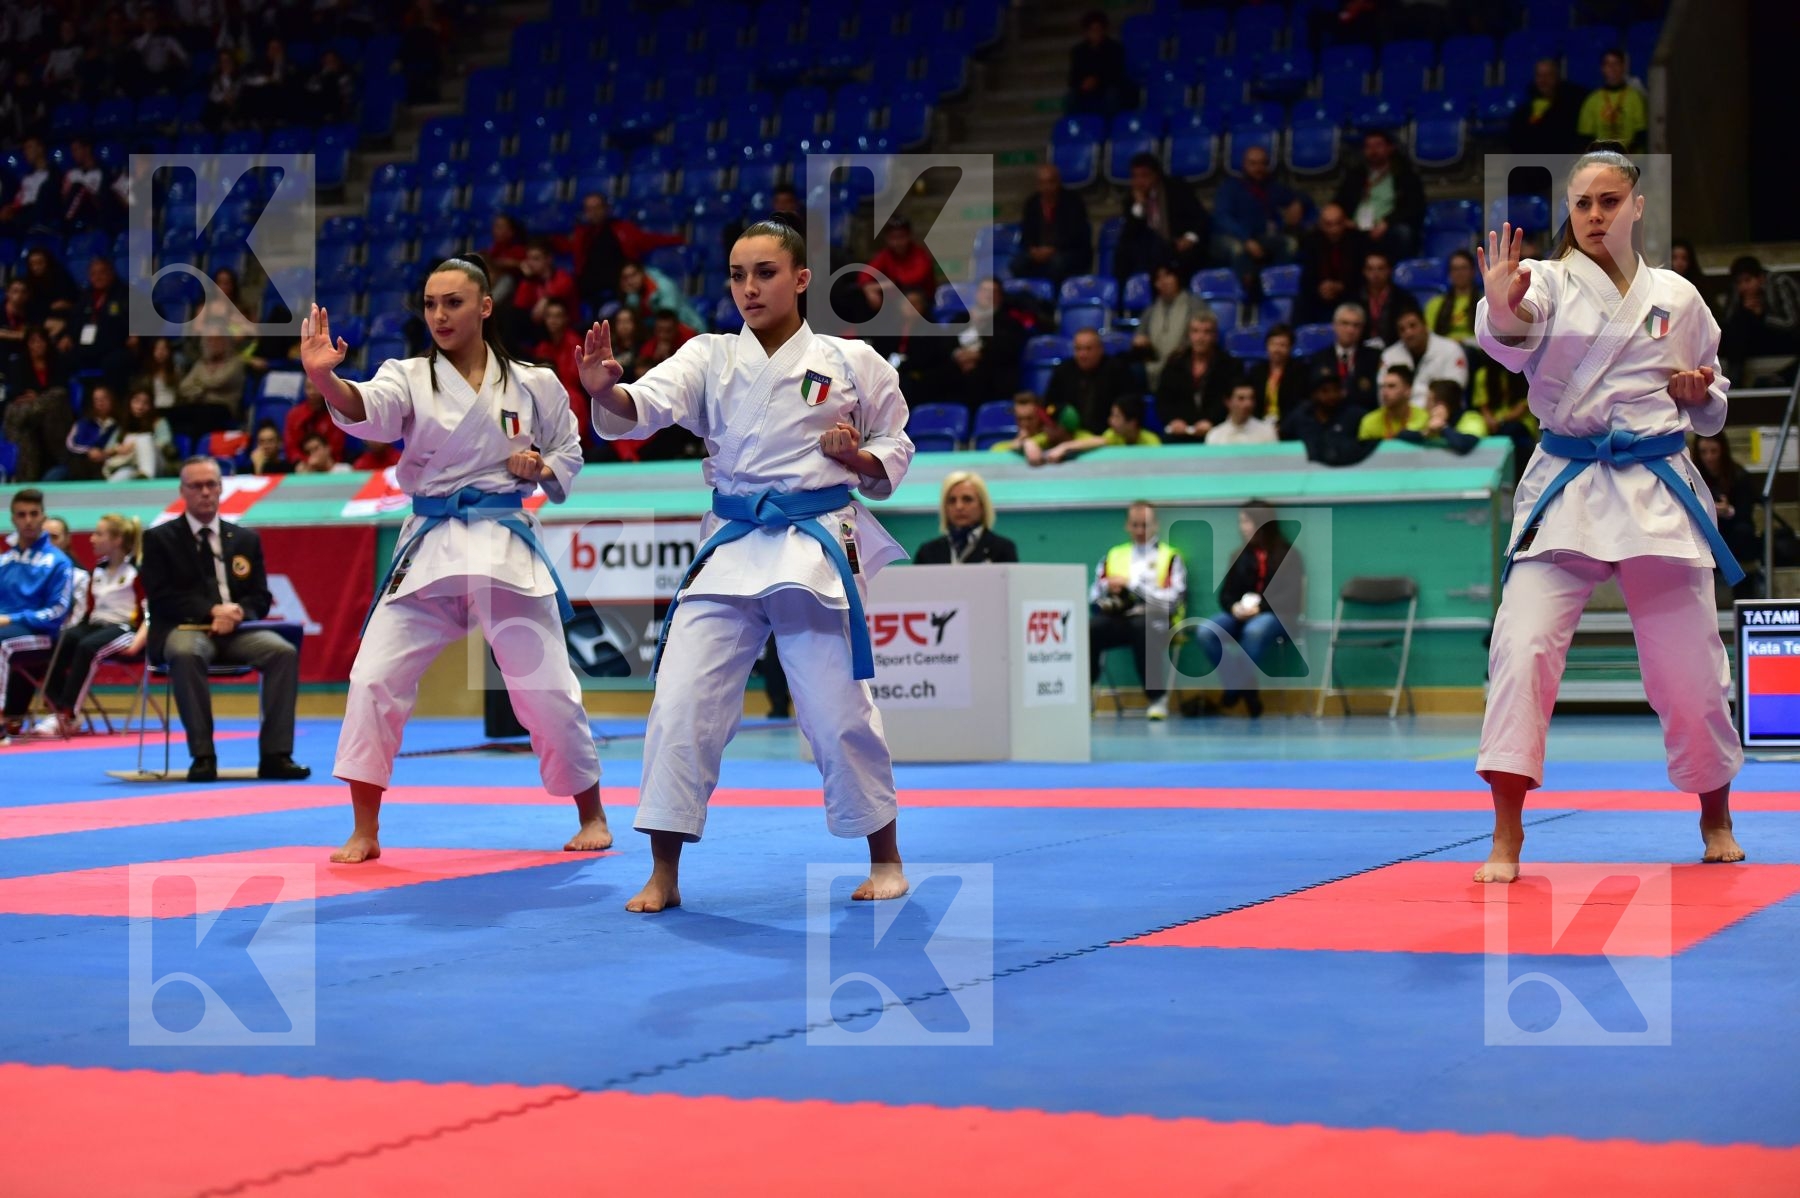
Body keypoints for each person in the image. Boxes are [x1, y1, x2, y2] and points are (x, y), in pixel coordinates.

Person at [582, 216, 916, 913]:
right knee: (679, 705)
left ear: (800, 279)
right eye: (737, 274)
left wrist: (858, 458)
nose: (749, 287)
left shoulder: (851, 361)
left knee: (835, 710)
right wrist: (602, 390)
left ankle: (885, 858)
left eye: (764, 272)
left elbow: (895, 445)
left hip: (813, 539)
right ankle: (663, 874)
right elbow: (640, 407)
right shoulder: (708, 355)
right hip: (731, 543)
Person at [1472, 141, 1743, 884]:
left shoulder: (1678, 297)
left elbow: (1716, 404)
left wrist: (1699, 398)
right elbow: (1514, 328)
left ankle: (1715, 815)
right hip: (1567, 483)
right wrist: (1500, 305)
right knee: (1521, 650)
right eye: (1583, 203)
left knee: (1689, 670)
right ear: (1570, 211)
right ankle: (1506, 835)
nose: (1595, 215)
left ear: (1637, 206)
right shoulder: (1551, 283)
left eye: (1609, 201)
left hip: (1655, 487)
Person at [298, 256, 608, 863]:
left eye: (454, 302)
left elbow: (569, 451)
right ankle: (365, 828)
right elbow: (369, 410)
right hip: (431, 542)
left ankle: (591, 813)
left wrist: (540, 467)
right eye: (431, 303)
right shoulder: (408, 374)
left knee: (545, 688)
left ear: (485, 306)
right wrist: (326, 381)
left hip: (502, 540)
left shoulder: (534, 382)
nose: (439, 315)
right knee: (373, 678)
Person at [140, 458, 310, 783]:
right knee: (186, 653)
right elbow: (160, 595)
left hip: (235, 631)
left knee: (282, 652)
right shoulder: (160, 539)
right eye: (196, 486)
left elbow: (260, 596)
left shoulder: (245, 539)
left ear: (220, 488)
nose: (205, 492)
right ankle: (203, 756)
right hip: (184, 628)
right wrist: (211, 611)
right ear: (182, 491)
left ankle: (276, 755)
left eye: (211, 485)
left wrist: (238, 614)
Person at [1187, 500, 1303, 718]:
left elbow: (1292, 597)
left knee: (1255, 630)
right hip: (1242, 616)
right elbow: (1226, 595)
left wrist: (1260, 608)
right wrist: (1235, 608)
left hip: (1277, 617)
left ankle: (1234, 689)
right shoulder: (1240, 556)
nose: (1242, 527)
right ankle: (1245, 688)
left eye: (1246, 521)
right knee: (1206, 632)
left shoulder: (1289, 555)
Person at [38, 513, 145, 736]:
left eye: (99, 534)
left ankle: (69, 714)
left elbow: (152, 612)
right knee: (65, 638)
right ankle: (55, 706)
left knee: (88, 647)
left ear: (116, 540)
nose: (92, 539)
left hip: (127, 629)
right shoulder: (97, 571)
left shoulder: (136, 572)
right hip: (98, 625)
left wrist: (138, 642)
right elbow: (90, 611)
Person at [1088, 501, 1185, 721]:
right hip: (1119, 618)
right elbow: (1093, 596)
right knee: (1091, 628)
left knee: (1142, 627)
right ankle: (1085, 693)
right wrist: (1107, 587)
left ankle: (1156, 698)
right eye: (1135, 525)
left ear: (1156, 525)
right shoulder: (1114, 555)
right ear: (1127, 526)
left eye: (1145, 525)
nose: (1140, 531)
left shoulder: (1170, 557)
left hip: (1157, 619)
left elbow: (1173, 600)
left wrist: (1133, 585)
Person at [0, 489, 73, 739]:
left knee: (1, 645)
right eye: (22, 514)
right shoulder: (5, 560)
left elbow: (58, 613)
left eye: (34, 514)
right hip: (6, 628)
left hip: (40, 636)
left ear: (43, 517)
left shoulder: (58, 562)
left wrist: (14, 618)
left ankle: (1, 719)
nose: (28, 520)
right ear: (13, 519)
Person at [1332, 129, 1425, 261]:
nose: (1373, 150)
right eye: (1368, 146)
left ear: (1390, 148)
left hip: (1387, 228)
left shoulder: (1405, 175)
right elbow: (1338, 202)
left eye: (1378, 145)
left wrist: (1387, 222)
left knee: (1403, 233)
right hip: (1355, 228)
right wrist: (1343, 220)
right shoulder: (1355, 175)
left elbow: (1414, 207)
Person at [1692, 432, 1763, 596]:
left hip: (1732, 532)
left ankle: (1744, 595)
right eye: (1703, 452)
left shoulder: (1739, 476)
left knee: (1743, 533)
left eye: (1713, 451)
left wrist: (1727, 511)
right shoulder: (1692, 477)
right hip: (1705, 533)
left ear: (1722, 451)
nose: (1709, 457)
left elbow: (1745, 515)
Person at [1156, 311, 1238, 442]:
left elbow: (1231, 399)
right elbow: (1163, 399)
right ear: (1189, 335)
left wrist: (1212, 421)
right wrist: (1173, 420)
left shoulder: (1229, 365)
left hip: (1217, 430)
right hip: (1179, 431)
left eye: (1207, 332)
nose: (1201, 337)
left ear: (1215, 336)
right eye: (1196, 331)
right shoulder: (1175, 363)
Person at [914, 471, 1019, 565]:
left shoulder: (1002, 549)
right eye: (952, 500)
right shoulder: (927, 552)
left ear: (982, 505)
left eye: (967, 499)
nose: (959, 506)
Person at [1011, 163, 1093, 283]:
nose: (1046, 187)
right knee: (1017, 264)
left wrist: (1052, 249)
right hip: (1038, 251)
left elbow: (1076, 235)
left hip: (1067, 251)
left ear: (1058, 182)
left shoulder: (1073, 202)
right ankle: (1028, 296)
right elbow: (1026, 232)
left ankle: (1055, 298)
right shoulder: (1031, 203)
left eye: (1050, 182)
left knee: (1057, 264)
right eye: (1042, 183)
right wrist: (1033, 249)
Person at [1380, 307, 1470, 408]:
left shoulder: (1451, 349)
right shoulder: (1389, 355)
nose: (1408, 333)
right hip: (1400, 416)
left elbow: (1453, 391)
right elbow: (1383, 393)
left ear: (1425, 326)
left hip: (1442, 415)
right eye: (1402, 329)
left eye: (1413, 326)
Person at [1306, 302, 1382, 409]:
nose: (1350, 330)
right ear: (1335, 325)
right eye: (1345, 323)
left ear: (1362, 329)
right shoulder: (1318, 358)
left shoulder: (1374, 357)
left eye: (1356, 325)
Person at [1507, 58, 1586, 156]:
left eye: (1548, 75)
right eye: (1539, 75)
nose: (1543, 80)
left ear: (1557, 77)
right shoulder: (1523, 111)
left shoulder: (1571, 107)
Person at [1051, 393, 1163, 461]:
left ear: (1132, 423)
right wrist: (1064, 447)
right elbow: (1094, 441)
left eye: (1116, 417)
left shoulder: (1152, 442)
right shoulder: (1112, 435)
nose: (1110, 421)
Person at [1575, 50, 1647, 153]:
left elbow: (1642, 134)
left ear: (1623, 67)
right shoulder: (1592, 100)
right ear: (1602, 68)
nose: (1612, 68)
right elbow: (1585, 138)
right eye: (1608, 64)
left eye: (1616, 63)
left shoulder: (1635, 98)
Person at [1245, 324, 1305, 423]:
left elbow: (1299, 406)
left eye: (1282, 345)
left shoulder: (1300, 372)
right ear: (1267, 346)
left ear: (1291, 347)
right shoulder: (1256, 371)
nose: (1277, 349)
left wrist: (1282, 426)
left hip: (1289, 425)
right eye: (1273, 344)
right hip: (1258, 424)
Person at [1359, 364, 1429, 441]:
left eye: (1391, 386)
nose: (1384, 392)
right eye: (1383, 386)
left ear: (1408, 391)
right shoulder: (1369, 422)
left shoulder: (1424, 419)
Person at [1424, 249, 1480, 344]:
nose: (1459, 273)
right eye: (1455, 269)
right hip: (1444, 351)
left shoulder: (1484, 303)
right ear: (1450, 274)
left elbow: (1490, 340)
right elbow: (1429, 337)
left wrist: (1463, 342)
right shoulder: (1435, 304)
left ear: (1472, 272)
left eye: (1464, 268)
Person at [1206, 381, 1278, 445]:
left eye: (1251, 398)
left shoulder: (1267, 432)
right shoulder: (1215, 435)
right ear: (1227, 401)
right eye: (1241, 398)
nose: (1248, 404)